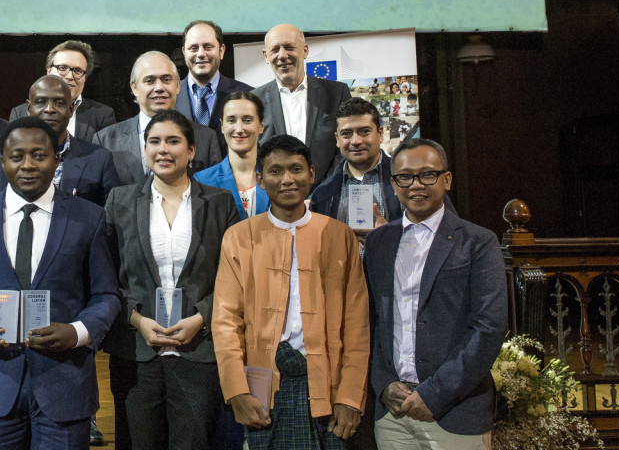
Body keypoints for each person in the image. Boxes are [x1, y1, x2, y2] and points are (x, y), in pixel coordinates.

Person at [0, 117, 121, 449]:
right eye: (17, 156)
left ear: (57, 159)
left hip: (65, 383)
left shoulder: (89, 217)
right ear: (3, 162)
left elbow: (106, 294)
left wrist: (77, 332)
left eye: (39, 155)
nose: (28, 165)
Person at [212, 134, 369, 450]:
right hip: (264, 390)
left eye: (296, 170)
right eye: (275, 171)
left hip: (329, 385)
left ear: (311, 174)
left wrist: (351, 396)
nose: (287, 179)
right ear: (260, 179)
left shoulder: (339, 236)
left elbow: (357, 325)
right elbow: (226, 322)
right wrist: (237, 391)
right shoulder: (239, 237)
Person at [104, 110, 240, 450]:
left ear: (191, 151)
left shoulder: (220, 203)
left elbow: (235, 278)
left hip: (198, 349)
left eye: (173, 141)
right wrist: (136, 319)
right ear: (144, 150)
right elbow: (104, 278)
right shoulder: (119, 201)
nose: (163, 149)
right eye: (154, 141)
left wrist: (201, 317)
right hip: (136, 351)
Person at [363, 138, 507, 450]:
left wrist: (434, 394)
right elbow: (372, 323)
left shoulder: (478, 241)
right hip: (393, 415)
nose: (416, 185)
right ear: (393, 183)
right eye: (405, 176)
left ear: (447, 179)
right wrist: (383, 383)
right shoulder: (379, 243)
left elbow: (489, 327)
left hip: (455, 412)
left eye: (427, 175)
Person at [0, 75, 119, 206]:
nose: (50, 109)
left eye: (59, 103)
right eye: (41, 102)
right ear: (28, 108)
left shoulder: (99, 159)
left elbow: (110, 217)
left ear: (71, 109)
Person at [93, 51, 221, 186]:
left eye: (166, 80)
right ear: (134, 88)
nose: (159, 87)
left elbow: (214, 197)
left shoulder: (205, 138)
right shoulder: (105, 141)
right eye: (150, 81)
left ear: (178, 85)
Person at [253, 24, 351, 187]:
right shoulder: (254, 100)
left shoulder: (337, 93)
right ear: (265, 56)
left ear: (305, 50)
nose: (282, 55)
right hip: (276, 200)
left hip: (327, 199)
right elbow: (252, 154)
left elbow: (346, 147)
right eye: (275, 49)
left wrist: (322, 193)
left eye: (289, 47)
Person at [310, 97, 401, 239]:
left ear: (380, 134)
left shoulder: (408, 180)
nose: (356, 141)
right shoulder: (322, 195)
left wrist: (391, 238)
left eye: (364, 131)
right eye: (346, 134)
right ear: (337, 139)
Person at [9, 40, 117, 140]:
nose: (70, 76)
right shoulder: (20, 113)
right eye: (62, 68)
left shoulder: (102, 116)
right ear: (49, 70)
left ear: (85, 77)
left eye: (78, 71)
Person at [174, 20, 251, 152]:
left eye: (208, 47)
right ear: (184, 52)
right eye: (193, 48)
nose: (201, 54)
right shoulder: (169, 97)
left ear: (221, 51)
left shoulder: (248, 95)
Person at [194, 91, 270, 219]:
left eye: (247, 120)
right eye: (231, 120)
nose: (239, 129)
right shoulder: (203, 181)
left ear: (261, 126)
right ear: (222, 126)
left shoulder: (278, 177)